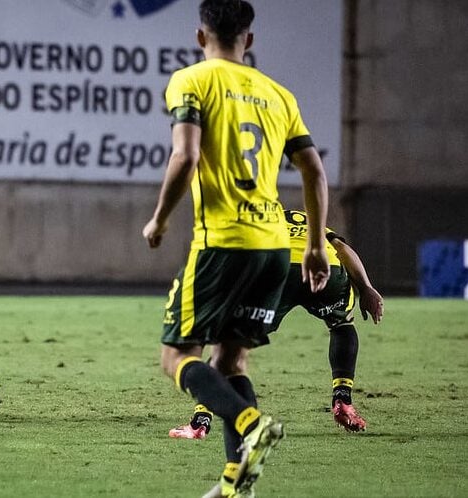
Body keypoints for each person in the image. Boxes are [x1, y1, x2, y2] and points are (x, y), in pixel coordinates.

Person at [141, 1, 330, 497]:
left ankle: (251, 423)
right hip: (274, 249)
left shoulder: (193, 79)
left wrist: (159, 220)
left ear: (201, 37)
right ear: (249, 40)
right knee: (231, 363)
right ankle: (236, 482)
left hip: (223, 243)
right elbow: (313, 171)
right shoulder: (279, 94)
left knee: (175, 355)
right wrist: (314, 246)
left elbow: (185, 155)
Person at [169, 210, 384, 440]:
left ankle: (201, 421)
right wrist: (366, 288)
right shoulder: (313, 224)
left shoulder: (263, 220)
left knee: (232, 343)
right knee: (342, 324)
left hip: (277, 271)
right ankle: (343, 399)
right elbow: (342, 248)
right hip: (325, 269)